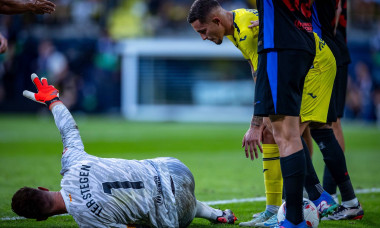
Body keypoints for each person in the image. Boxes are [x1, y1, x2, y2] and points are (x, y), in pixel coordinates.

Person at [11, 73, 237, 228]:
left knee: (144, 213)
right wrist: (53, 101)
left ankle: (208, 212)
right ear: (43, 188)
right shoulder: (72, 164)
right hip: (176, 168)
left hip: (178, 214)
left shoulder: (88, 222)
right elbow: (69, 130)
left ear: (41, 219)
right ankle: (214, 214)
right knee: (148, 179)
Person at [188, 1, 340, 227]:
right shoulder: (236, 23)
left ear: (217, 21)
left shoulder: (247, 31)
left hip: (316, 66)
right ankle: (294, 203)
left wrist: (255, 123)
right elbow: (256, 68)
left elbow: (262, 73)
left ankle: (307, 202)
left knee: (286, 133)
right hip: (307, 58)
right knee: (288, 132)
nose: (203, 37)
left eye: (203, 31)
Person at [311, 0, 364, 220]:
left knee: (328, 124)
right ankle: (324, 194)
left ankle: (330, 193)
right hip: (324, 46)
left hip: (324, 49)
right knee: (316, 124)